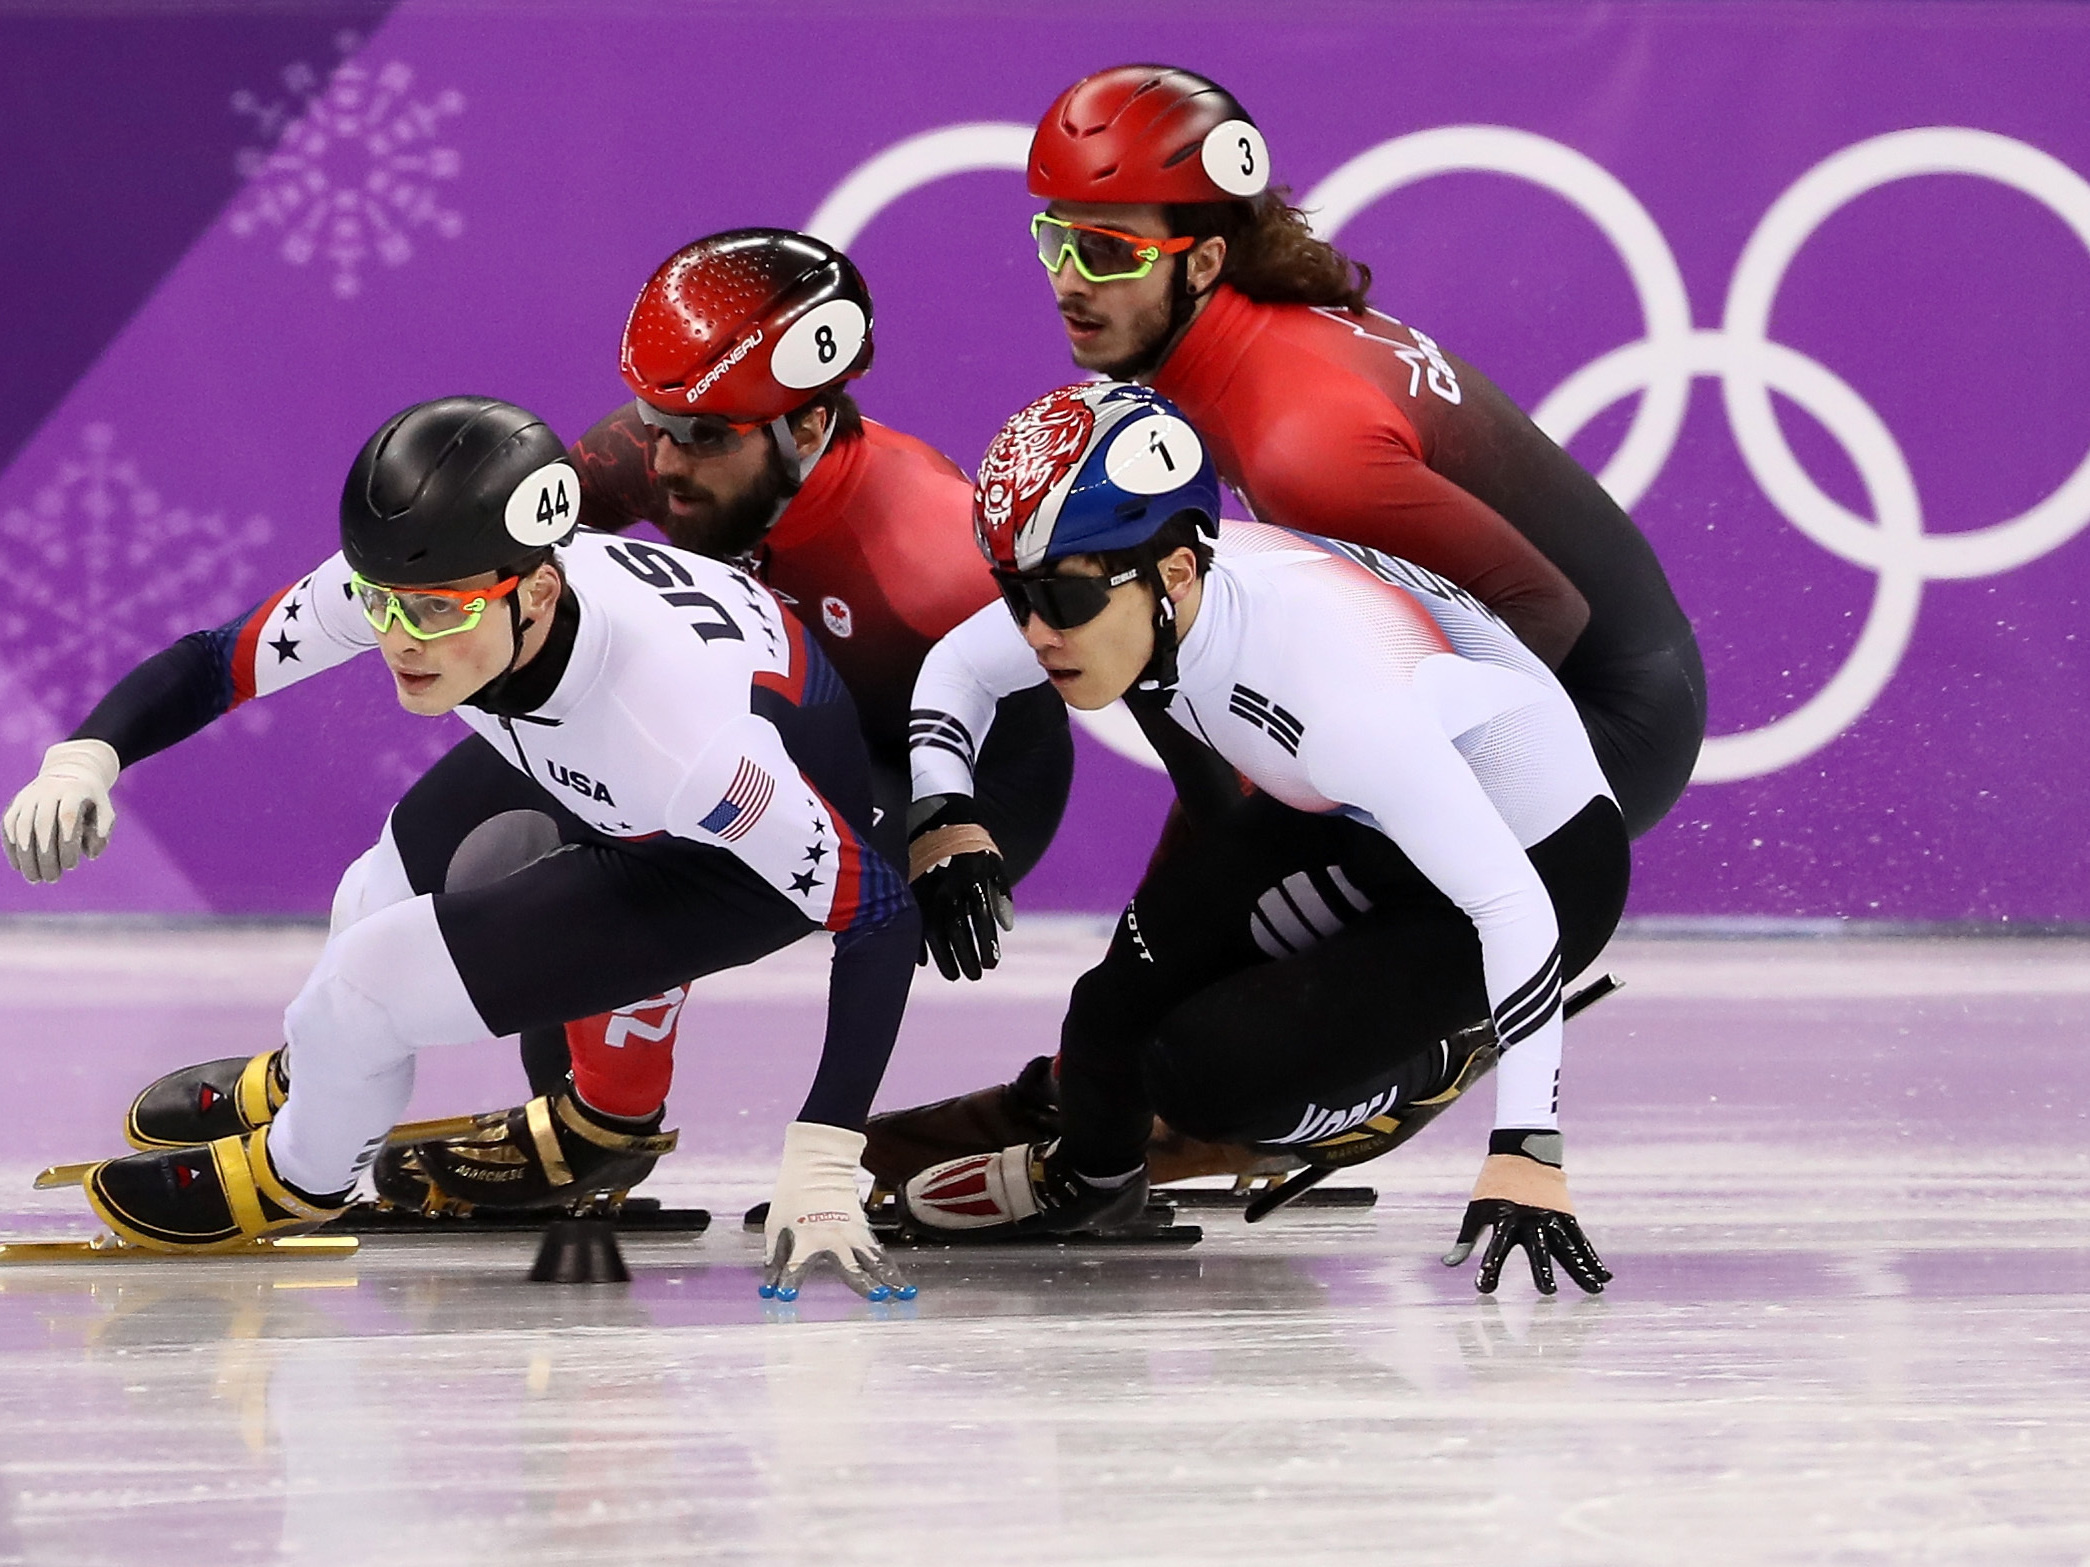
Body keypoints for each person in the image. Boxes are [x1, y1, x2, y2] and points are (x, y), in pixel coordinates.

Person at [1, 396, 916, 1300]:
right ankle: (324, 1072)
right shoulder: (438, 573)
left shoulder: (686, 744)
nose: (400, 640)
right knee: (370, 897)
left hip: (712, 855)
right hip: (587, 744)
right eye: (379, 606)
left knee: (364, 987)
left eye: (434, 615)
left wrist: (827, 1155)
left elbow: (879, 908)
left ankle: (302, 1174)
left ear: (540, 591)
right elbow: (219, 658)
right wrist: (85, 757)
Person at [896, 381, 1628, 1295]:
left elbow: (1512, 909)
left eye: (1062, 598)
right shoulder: (1146, 579)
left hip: (1538, 865)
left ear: (1173, 575)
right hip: (1357, 812)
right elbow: (956, 667)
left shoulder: (1338, 693)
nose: (1037, 632)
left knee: (1208, 1081)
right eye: (1015, 596)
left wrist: (1529, 1150)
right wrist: (944, 813)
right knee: (1107, 1017)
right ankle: (1096, 1185)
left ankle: (1426, 1062)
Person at [468, 230, 1072, 1145]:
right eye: (656, 422)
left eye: (703, 435)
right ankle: (579, 1121)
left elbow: (1134, 663)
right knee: (522, 833)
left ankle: (607, 1122)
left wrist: (948, 831)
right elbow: (501, 549)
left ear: (807, 427)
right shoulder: (649, 452)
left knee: (660, 832)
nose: (665, 463)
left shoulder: (928, 555)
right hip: (791, 719)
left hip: (956, 772)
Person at [1024, 63, 1704, 840]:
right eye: (1057, 240)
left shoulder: (1302, 445)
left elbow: (1541, 614)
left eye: (1110, 254)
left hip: (1610, 718)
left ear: (1205, 261)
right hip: (1614, 672)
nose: (1069, 282)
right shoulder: (1246, 343)